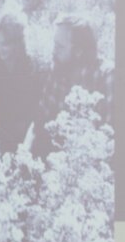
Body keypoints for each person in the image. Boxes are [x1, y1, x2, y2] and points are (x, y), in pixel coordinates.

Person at [33, 13, 113, 157]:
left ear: (78, 51)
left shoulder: (106, 77)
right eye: (54, 44)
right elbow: (40, 120)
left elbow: (111, 139)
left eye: (59, 46)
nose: (53, 51)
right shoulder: (57, 69)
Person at [0, 6, 44, 151]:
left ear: (17, 43)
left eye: (5, 44)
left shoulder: (29, 64)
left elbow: (34, 106)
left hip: (27, 132)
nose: (0, 49)